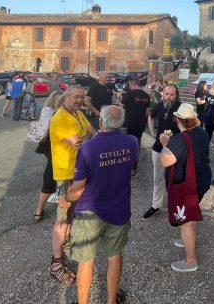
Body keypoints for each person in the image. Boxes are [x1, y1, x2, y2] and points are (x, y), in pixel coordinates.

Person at [58, 105, 138, 304]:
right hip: (119, 209)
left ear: (100, 121)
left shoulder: (88, 147)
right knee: (114, 255)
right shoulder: (132, 142)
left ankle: (83, 301)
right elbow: (129, 169)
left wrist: (65, 199)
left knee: (86, 261)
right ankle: (111, 301)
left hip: (89, 211)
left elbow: (78, 188)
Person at [48, 85, 95, 284]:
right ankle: (56, 263)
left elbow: (92, 132)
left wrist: (88, 139)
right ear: (66, 96)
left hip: (78, 171)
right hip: (66, 173)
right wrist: (88, 139)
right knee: (62, 217)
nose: (79, 100)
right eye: (76, 97)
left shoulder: (76, 114)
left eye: (82, 97)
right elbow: (78, 142)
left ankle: (66, 241)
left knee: (71, 214)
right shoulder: (60, 118)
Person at [159, 103, 211, 272]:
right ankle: (188, 239)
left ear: (178, 119)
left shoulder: (179, 139)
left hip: (187, 184)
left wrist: (165, 144)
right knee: (192, 210)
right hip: (201, 179)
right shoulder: (201, 132)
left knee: (186, 222)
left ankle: (190, 261)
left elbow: (165, 161)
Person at [142, 84, 181, 220]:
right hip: (158, 148)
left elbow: (190, 125)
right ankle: (156, 205)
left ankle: (176, 206)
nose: (169, 97)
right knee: (158, 179)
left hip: (175, 150)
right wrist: (152, 132)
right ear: (163, 93)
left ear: (176, 95)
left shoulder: (180, 108)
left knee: (175, 179)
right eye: (167, 94)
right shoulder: (158, 106)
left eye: (172, 94)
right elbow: (150, 117)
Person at [34, 90, 64, 224]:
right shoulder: (51, 113)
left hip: (51, 147)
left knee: (53, 175)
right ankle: (39, 211)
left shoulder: (47, 110)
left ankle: (39, 212)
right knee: (51, 176)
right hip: (53, 147)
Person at [121, 78, 151, 173]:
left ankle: (128, 167)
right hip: (141, 124)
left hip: (129, 124)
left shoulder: (129, 94)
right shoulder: (147, 95)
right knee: (137, 144)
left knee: (128, 145)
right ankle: (134, 166)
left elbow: (120, 106)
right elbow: (147, 111)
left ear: (131, 83)